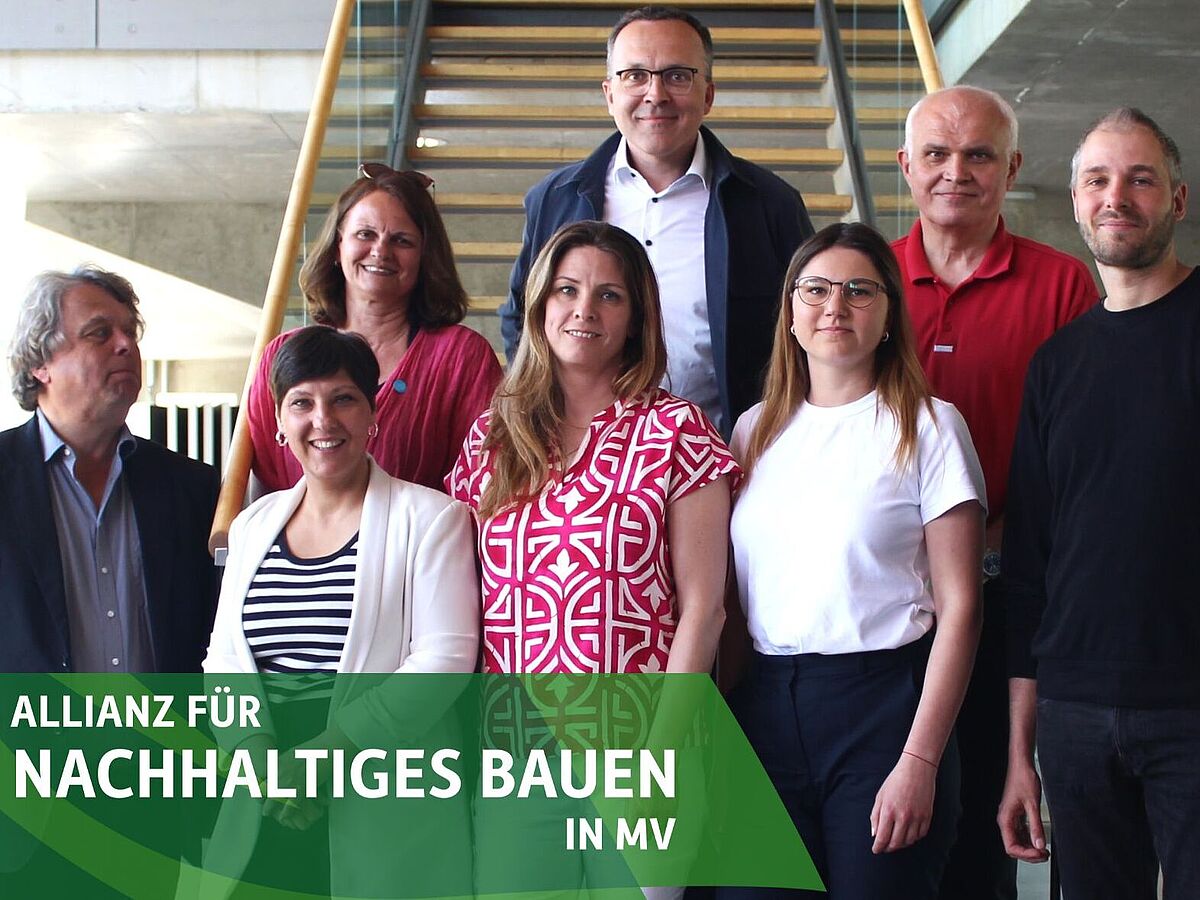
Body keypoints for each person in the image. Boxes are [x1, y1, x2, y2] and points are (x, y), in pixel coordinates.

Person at [722, 223, 986, 899]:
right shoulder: (753, 430)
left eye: (858, 291)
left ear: (891, 315)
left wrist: (919, 759)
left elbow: (961, 609)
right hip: (766, 709)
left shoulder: (928, 425)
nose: (834, 306)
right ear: (788, 311)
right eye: (814, 289)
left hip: (885, 712)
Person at [893, 85, 1098, 900]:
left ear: (1011, 168)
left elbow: (1079, 456)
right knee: (888, 829)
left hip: (1005, 592)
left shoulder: (1061, 286)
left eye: (979, 155)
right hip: (890, 603)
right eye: (937, 155)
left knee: (982, 831)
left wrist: (998, 545)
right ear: (906, 165)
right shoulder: (860, 282)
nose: (956, 172)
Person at [999, 108, 1200, 899]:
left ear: (1177, 200)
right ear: (1078, 202)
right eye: (1097, 180)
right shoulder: (1057, 363)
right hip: (1076, 715)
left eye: (1140, 179)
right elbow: (1030, 566)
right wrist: (1022, 750)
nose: (1116, 196)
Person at [203, 325, 480, 895]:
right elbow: (223, 660)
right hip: (268, 797)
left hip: (382, 789)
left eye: (343, 399)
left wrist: (325, 758)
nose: (322, 420)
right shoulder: (253, 525)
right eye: (301, 402)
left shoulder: (432, 517)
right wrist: (262, 764)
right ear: (278, 423)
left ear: (373, 414)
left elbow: (445, 659)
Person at [498, 5, 812, 435]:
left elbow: (803, 333)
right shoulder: (554, 200)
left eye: (677, 75)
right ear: (609, 94)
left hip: (731, 456)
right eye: (635, 76)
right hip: (582, 462)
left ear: (708, 95)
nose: (656, 94)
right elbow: (522, 317)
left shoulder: (770, 205)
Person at [0, 265, 219, 672]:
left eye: (130, 332)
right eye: (99, 333)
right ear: (40, 362)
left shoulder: (193, 488)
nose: (125, 345)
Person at [246, 164, 502, 494]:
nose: (381, 251)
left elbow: (485, 479)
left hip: (423, 544)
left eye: (401, 240)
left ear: (425, 256)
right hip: (299, 544)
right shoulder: (279, 356)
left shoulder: (461, 357)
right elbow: (264, 479)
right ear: (338, 246)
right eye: (365, 234)